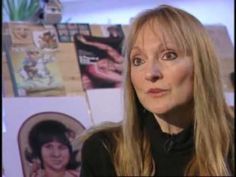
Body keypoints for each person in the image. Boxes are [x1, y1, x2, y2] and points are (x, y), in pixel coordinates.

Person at [79, 4, 234, 176]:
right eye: (138, 60)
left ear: (201, 65)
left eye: (169, 55)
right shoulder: (103, 150)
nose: (151, 73)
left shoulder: (230, 148)